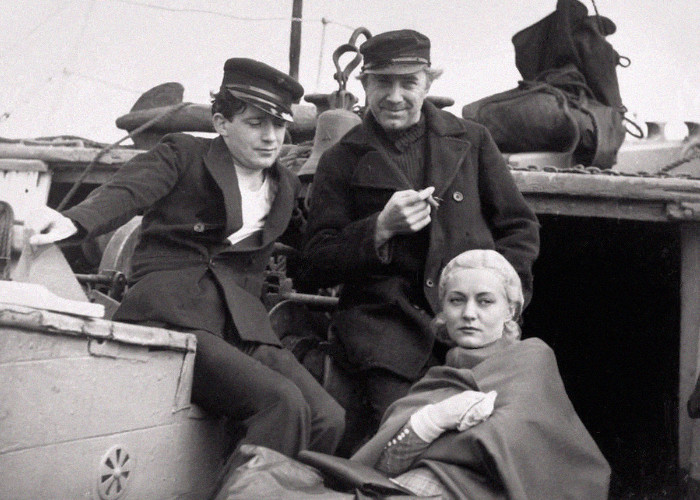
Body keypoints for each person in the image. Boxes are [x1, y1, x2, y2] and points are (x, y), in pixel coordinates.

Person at [28, 58, 344, 458]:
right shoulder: (183, 154)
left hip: (240, 326)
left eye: (279, 126)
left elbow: (314, 244)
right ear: (220, 122)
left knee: (328, 417)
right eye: (255, 123)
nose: (270, 138)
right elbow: (128, 191)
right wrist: (75, 222)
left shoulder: (284, 185)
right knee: (280, 403)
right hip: (171, 315)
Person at [299, 29, 540, 442]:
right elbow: (312, 263)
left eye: (408, 82)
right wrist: (379, 229)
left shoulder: (473, 140)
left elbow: (519, 227)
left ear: (428, 83)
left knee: (504, 434)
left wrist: (503, 304)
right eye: (382, 83)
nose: (394, 96)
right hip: (385, 331)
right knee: (405, 435)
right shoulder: (341, 159)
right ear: (364, 85)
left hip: (472, 322)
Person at [352, 249, 611, 499]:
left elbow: (506, 442)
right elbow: (385, 463)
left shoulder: (530, 361)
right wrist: (435, 419)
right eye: (456, 300)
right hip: (432, 481)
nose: (468, 314)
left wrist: (430, 434)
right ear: (443, 309)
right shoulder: (437, 379)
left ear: (510, 310)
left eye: (485, 301)